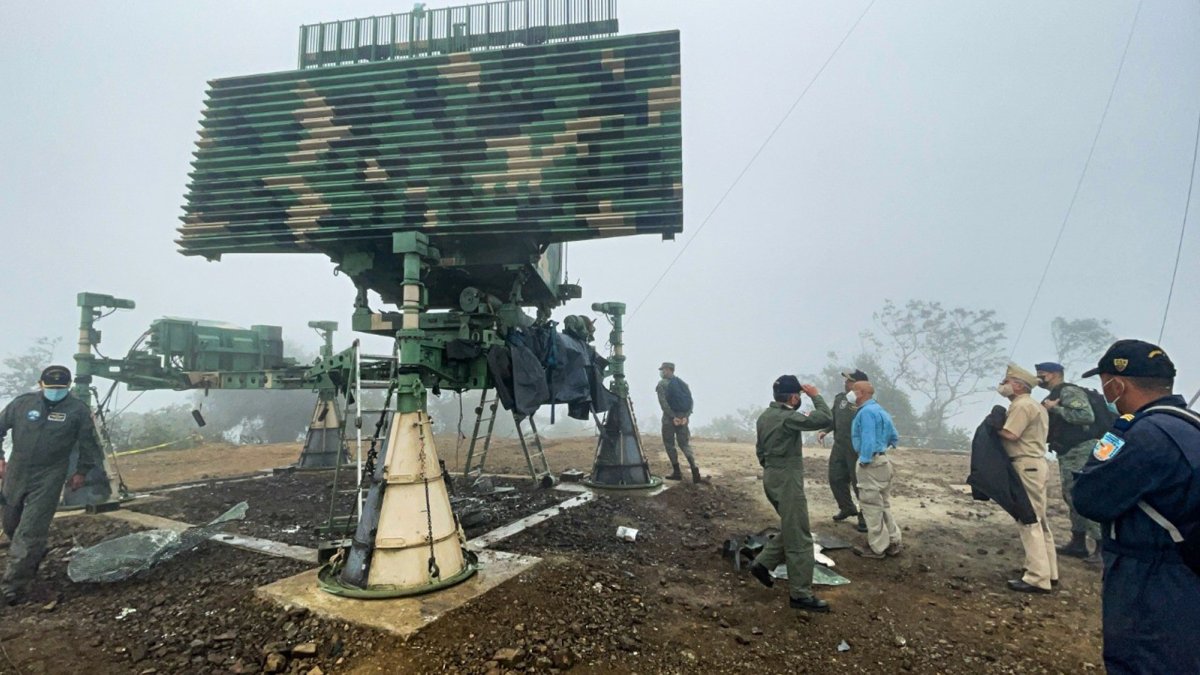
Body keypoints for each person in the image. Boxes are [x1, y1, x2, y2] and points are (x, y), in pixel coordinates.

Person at [1073, 340, 1200, 674]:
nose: (1104, 392)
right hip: (1189, 570)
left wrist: (1114, 433)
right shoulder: (1191, 425)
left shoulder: (1143, 434)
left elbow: (1089, 498)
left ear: (1118, 384)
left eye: (1104, 383)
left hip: (1150, 576)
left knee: (1142, 660)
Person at [0, 365, 102, 604]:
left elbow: (89, 443)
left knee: (31, 528)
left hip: (50, 474)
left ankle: (12, 586)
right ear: (40, 384)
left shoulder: (77, 410)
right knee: (11, 523)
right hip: (17, 470)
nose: (55, 391)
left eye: (60, 388)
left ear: (68, 387)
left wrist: (82, 471)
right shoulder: (21, 404)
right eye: (51, 387)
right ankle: (31, 557)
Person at [746, 375, 832, 613]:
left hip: (771, 475)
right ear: (794, 397)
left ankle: (762, 564)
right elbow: (825, 418)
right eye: (799, 397)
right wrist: (815, 395)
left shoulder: (765, 417)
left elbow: (759, 450)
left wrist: (773, 469)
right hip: (787, 480)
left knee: (792, 527)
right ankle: (800, 595)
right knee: (800, 539)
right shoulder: (788, 418)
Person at [992, 363, 1058, 593]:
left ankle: (1037, 577)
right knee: (1040, 520)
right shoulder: (1036, 406)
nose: (1003, 385)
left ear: (1018, 386)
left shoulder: (1021, 406)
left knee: (1028, 520)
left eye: (1007, 381)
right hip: (1036, 465)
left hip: (1025, 464)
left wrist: (993, 428)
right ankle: (1049, 571)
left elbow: (1011, 434)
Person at [1034, 361, 1102, 564]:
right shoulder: (1054, 394)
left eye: (1042, 374)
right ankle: (1078, 542)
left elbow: (1085, 416)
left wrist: (1056, 410)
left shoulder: (1068, 392)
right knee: (1071, 496)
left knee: (1083, 495)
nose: (1039, 378)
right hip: (1067, 452)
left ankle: (1101, 546)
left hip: (1081, 450)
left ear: (1055, 374)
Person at [849, 381, 902, 559]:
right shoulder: (881, 411)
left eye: (853, 390)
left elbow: (868, 438)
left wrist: (865, 459)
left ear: (861, 393)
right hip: (884, 461)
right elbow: (895, 436)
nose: (850, 394)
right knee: (884, 504)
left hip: (870, 463)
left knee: (871, 506)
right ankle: (893, 541)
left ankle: (877, 548)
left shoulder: (866, 413)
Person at [818, 369, 868, 533]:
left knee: (859, 483)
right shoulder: (840, 398)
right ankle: (847, 507)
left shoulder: (865, 402)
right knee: (835, 477)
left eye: (850, 381)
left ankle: (865, 516)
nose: (846, 383)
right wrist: (825, 430)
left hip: (857, 449)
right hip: (839, 446)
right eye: (846, 381)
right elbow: (834, 418)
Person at [656, 362, 701, 482]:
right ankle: (695, 470)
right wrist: (686, 417)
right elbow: (690, 402)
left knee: (669, 444)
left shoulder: (662, 384)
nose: (662, 372)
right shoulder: (683, 384)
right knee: (685, 444)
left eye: (663, 370)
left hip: (669, 420)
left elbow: (663, 403)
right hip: (683, 419)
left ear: (669, 370)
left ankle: (677, 472)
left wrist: (672, 417)